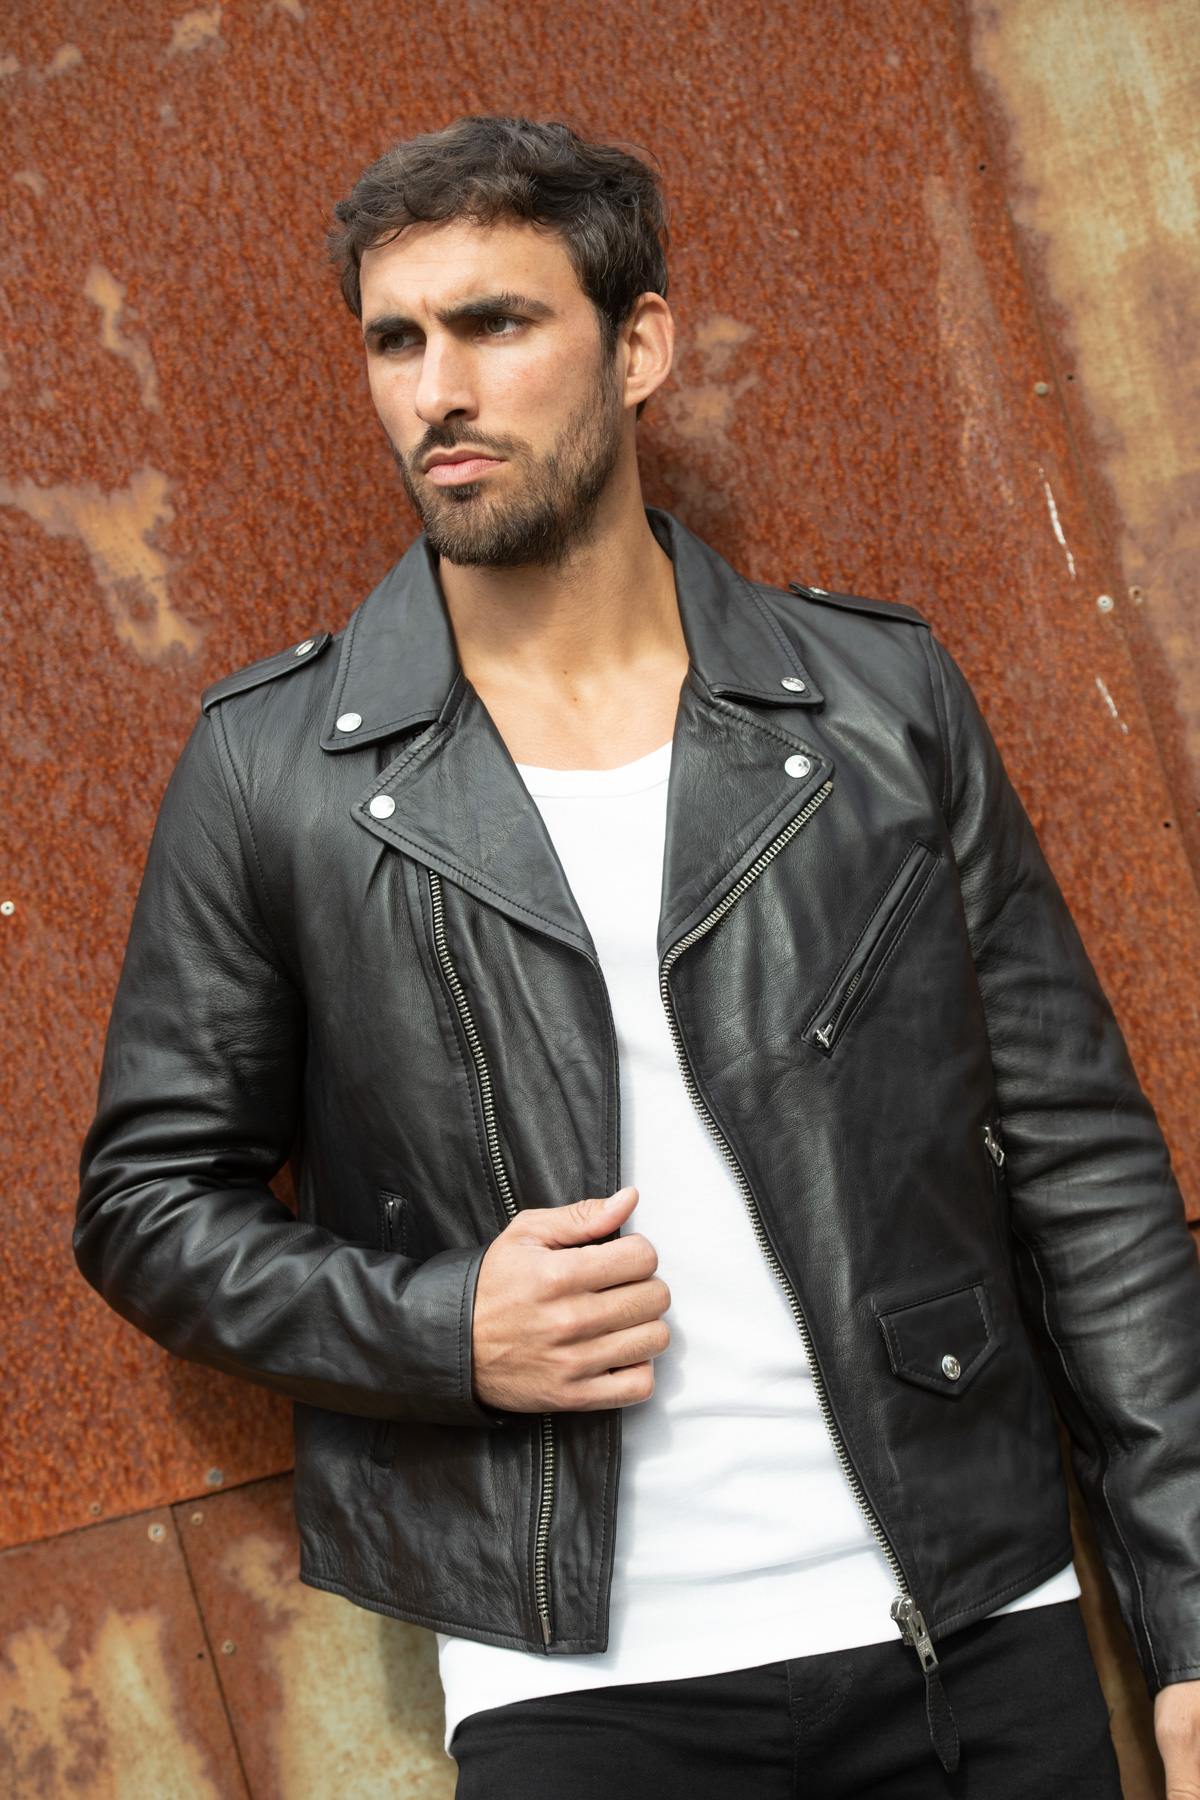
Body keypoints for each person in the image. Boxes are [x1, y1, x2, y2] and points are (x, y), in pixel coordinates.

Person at [74, 115, 1200, 1797]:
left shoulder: (878, 706)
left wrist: (1190, 1622)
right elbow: (148, 1206)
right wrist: (442, 1328)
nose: (439, 390)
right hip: (582, 1695)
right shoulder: (276, 770)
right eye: (396, 340)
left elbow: (1084, 1169)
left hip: (970, 1632)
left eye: (496, 323)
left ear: (640, 346)